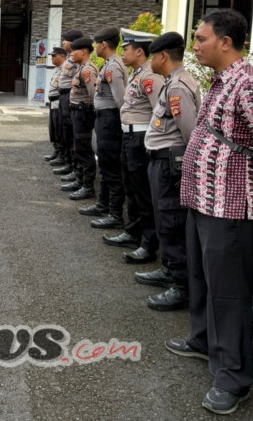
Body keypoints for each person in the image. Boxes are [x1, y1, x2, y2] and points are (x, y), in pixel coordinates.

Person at [166, 9, 253, 416]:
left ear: (226, 42)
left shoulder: (252, 85)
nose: (195, 46)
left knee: (229, 291)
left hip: (230, 207)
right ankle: (203, 339)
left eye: (201, 39)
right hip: (204, 200)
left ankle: (234, 376)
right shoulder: (221, 82)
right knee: (202, 278)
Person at [139, 32, 201, 312]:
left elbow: (190, 133)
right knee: (164, 219)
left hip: (169, 165)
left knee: (171, 223)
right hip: (161, 163)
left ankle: (181, 286)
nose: (150, 61)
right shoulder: (171, 82)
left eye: (153, 55)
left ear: (163, 56)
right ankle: (169, 269)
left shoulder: (177, 86)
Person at [102, 29, 163, 264]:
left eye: (126, 49)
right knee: (132, 190)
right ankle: (133, 232)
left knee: (143, 194)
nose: (123, 53)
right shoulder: (138, 74)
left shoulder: (150, 77)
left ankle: (148, 244)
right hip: (129, 137)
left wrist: (151, 142)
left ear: (139, 51)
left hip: (140, 139)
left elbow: (159, 112)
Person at [84, 27, 128, 228]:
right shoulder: (109, 65)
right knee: (105, 164)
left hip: (110, 121)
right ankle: (103, 204)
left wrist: (118, 125)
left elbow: (120, 100)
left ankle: (115, 214)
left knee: (111, 167)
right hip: (104, 120)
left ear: (103, 44)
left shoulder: (113, 67)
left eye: (96, 44)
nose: (94, 47)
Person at [64, 36, 98, 201]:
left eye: (75, 51)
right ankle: (80, 179)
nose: (71, 54)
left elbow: (94, 96)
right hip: (77, 112)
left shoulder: (88, 70)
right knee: (78, 148)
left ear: (84, 51)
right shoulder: (81, 68)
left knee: (84, 149)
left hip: (83, 113)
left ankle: (88, 186)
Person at [51, 29, 83, 177]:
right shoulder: (70, 58)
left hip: (69, 97)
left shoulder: (76, 59)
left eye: (66, 40)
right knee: (64, 131)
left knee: (70, 133)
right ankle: (68, 162)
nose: (63, 43)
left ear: (74, 41)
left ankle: (73, 167)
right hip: (63, 97)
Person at [44, 47, 67, 163]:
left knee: (59, 129)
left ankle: (62, 154)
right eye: (51, 56)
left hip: (59, 102)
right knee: (53, 129)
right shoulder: (57, 69)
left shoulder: (65, 69)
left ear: (62, 56)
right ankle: (57, 151)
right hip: (53, 102)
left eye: (54, 56)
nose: (52, 58)